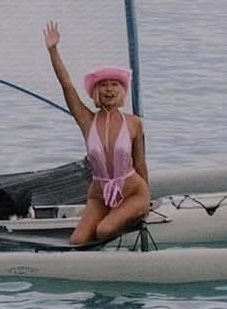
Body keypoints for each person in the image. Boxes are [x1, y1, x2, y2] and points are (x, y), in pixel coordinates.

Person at [42, 21, 150, 245]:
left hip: (133, 193)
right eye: (103, 85)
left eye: (114, 85)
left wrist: (146, 204)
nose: (109, 89)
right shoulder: (87, 120)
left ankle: (127, 219)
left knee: (103, 231)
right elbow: (66, 85)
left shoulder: (134, 123)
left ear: (121, 91)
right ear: (95, 91)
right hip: (100, 196)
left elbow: (140, 164)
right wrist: (53, 50)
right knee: (78, 240)